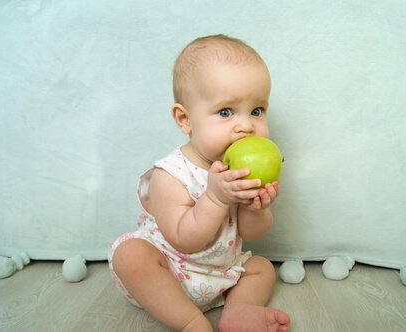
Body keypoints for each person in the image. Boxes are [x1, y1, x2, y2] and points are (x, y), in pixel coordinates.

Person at [108, 34, 290, 332]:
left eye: (257, 111)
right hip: (172, 272)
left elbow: (252, 233)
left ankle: (237, 311)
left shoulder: (240, 172)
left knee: (261, 268)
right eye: (226, 112)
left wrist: (256, 209)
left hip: (221, 273)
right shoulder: (170, 174)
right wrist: (216, 199)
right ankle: (191, 322)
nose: (246, 125)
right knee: (130, 257)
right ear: (185, 119)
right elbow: (184, 239)